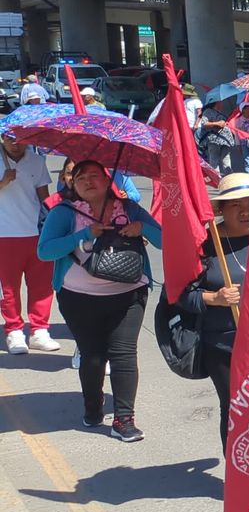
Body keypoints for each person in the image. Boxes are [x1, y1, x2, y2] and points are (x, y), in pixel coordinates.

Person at [37, 160, 162, 442]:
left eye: (95, 175)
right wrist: (83, 235)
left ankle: (124, 419)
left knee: (124, 354)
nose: (88, 181)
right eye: (81, 178)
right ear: (73, 185)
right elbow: (45, 251)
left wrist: (141, 227)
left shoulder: (129, 209)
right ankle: (92, 407)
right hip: (79, 298)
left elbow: (165, 241)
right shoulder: (64, 213)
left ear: (108, 181)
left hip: (129, 295)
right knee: (92, 355)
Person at [180, 173, 249, 448]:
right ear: (222, 209)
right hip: (223, 343)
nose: (246, 212)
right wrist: (215, 297)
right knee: (235, 406)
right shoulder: (204, 244)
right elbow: (179, 296)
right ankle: (236, 477)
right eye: (237, 205)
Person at [0, 132, 58, 354]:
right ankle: (13, 330)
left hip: (37, 232)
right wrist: (3, 182)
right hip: (5, 234)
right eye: (10, 138)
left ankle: (39, 330)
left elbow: (44, 196)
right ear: (2, 137)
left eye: (20, 138)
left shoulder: (37, 160)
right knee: (8, 288)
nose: (15, 144)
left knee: (42, 285)